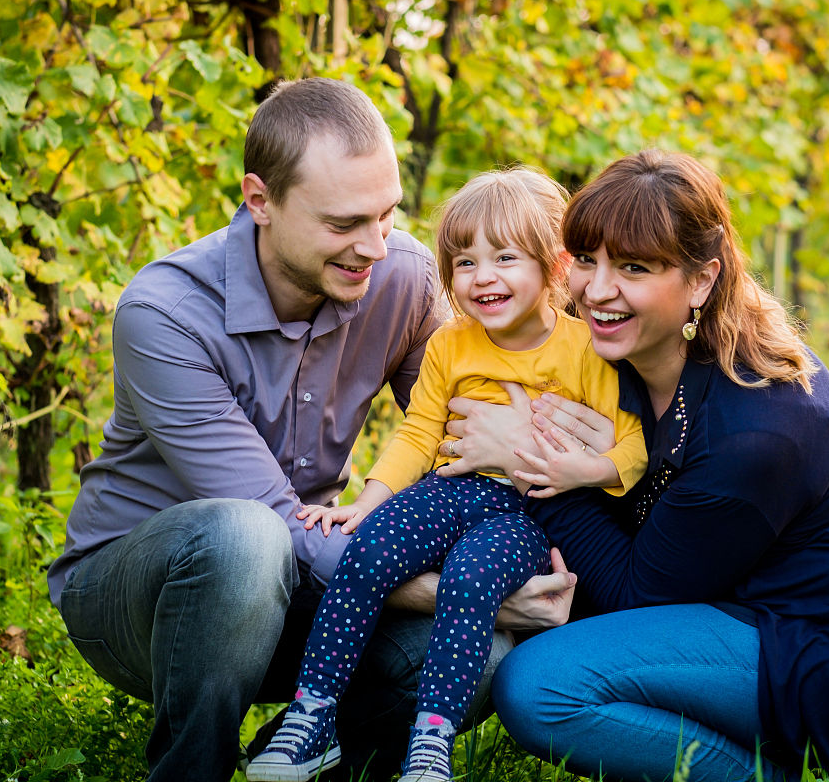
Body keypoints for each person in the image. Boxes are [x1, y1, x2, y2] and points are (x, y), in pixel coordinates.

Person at [46, 79, 574, 782]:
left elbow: (459, 445)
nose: (375, 248)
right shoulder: (164, 314)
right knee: (245, 540)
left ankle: (303, 760)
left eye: (386, 216)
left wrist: (527, 454)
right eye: (344, 225)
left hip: (314, 585)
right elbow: (274, 522)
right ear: (259, 201)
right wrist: (462, 590)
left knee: (478, 656)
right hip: (146, 601)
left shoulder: (405, 279)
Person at [437, 150, 829, 781]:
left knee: (539, 688)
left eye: (633, 267)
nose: (597, 291)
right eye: (586, 261)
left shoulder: (760, 428)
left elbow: (633, 597)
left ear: (702, 281)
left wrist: (533, 463)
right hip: (736, 611)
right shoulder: (617, 357)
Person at [245, 168, 647, 782]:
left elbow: (635, 446)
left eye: (505, 257)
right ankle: (314, 714)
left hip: (525, 511)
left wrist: (578, 471)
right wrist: (368, 503)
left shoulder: (583, 348)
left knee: (471, 576)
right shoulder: (450, 345)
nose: (482, 276)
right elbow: (418, 432)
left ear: (554, 266)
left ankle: (430, 743)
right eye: (464, 262)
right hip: (446, 489)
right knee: (368, 551)